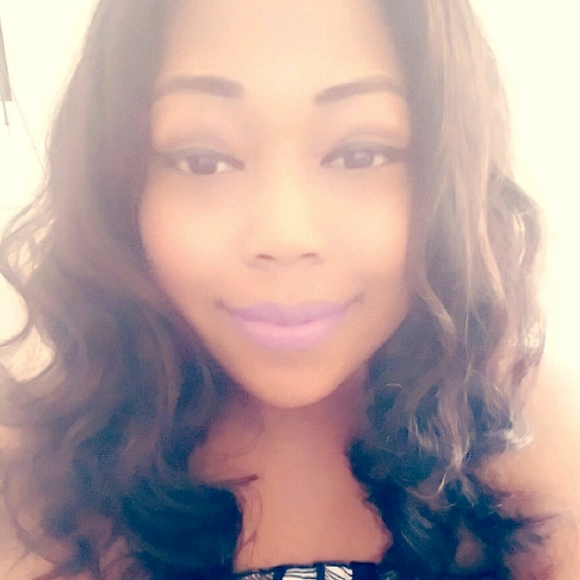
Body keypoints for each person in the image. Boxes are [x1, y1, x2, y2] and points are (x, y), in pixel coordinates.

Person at [0, 0, 579, 578]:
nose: (284, 235)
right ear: (114, 185)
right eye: (202, 161)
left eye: (360, 154)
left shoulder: (531, 439)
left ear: (449, 174)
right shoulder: (32, 487)